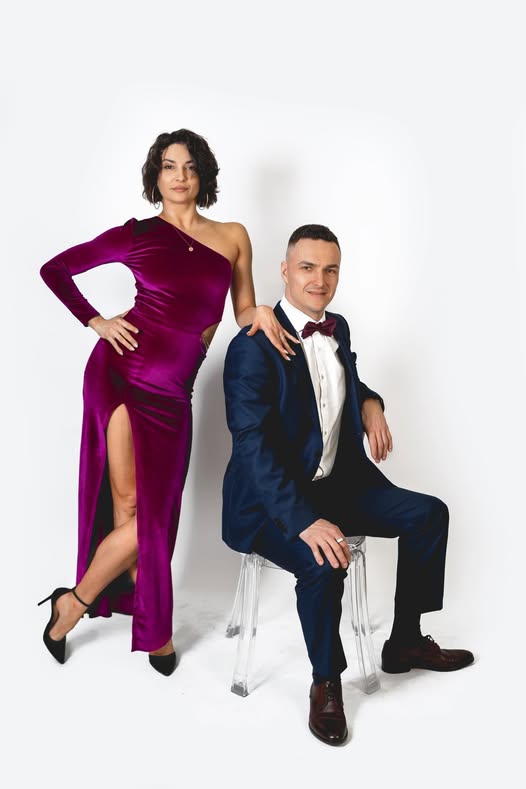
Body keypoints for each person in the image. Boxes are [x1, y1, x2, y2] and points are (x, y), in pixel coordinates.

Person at [38, 129, 298, 675]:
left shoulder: (232, 236)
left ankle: (72, 603)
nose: (180, 176)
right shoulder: (136, 235)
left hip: (173, 390)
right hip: (119, 374)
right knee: (132, 507)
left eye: (190, 167)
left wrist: (262, 311)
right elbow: (54, 269)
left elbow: (241, 311)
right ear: (155, 176)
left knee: (157, 513)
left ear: (203, 175)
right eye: (169, 166)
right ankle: (152, 626)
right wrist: (96, 321)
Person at [222, 224, 474, 744]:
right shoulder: (252, 347)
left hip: (336, 484)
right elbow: (251, 446)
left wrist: (371, 402)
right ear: (284, 271)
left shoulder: (338, 328)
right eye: (307, 268)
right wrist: (303, 520)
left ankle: (404, 642)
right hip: (268, 505)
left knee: (430, 514)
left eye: (330, 269)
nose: (320, 280)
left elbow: (336, 384)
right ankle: (326, 681)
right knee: (323, 559)